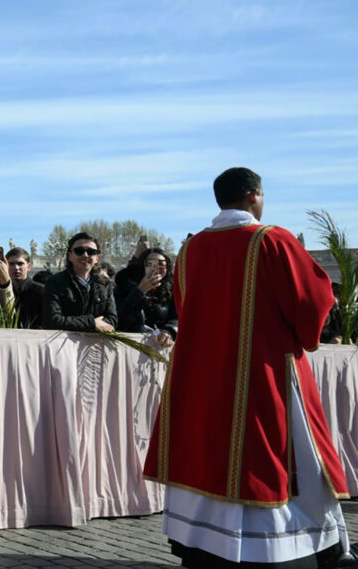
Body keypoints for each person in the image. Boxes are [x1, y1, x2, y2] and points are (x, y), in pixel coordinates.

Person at [143, 167, 356, 568]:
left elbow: (187, 312)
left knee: (211, 451)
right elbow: (312, 301)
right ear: (255, 195)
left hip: (203, 374)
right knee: (274, 454)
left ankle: (205, 543)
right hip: (265, 369)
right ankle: (288, 546)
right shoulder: (271, 239)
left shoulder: (192, 249)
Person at [42, 232, 118, 332]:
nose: (85, 255)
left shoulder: (105, 284)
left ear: (97, 258)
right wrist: (92, 323)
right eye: (79, 251)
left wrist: (87, 323)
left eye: (91, 252)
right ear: (69, 256)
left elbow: (112, 320)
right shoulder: (55, 282)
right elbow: (52, 320)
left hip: (95, 345)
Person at [115, 247, 177, 347]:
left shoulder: (172, 289)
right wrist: (140, 291)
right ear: (142, 265)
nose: (156, 268)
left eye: (161, 264)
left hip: (159, 348)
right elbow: (119, 321)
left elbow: (178, 317)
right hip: (129, 346)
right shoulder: (124, 286)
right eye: (150, 264)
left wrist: (169, 330)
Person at [6, 247, 44, 329]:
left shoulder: (41, 291)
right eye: (11, 264)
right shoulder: (2, 292)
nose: (16, 268)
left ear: (29, 267)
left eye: (20, 264)